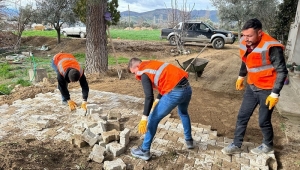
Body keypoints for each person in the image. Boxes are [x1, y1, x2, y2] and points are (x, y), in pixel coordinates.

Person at [222, 18, 288, 155]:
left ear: (260, 33)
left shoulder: (271, 46)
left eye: (249, 36)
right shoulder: (245, 41)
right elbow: (246, 59)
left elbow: (282, 71)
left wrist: (275, 93)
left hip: (267, 90)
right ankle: (236, 143)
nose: (246, 39)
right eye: (244, 35)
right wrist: (241, 76)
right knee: (242, 116)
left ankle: (267, 145)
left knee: (263, 121)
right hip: (252, 87)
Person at [128, 57, 194, 161]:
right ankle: (189, 141)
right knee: (183, 113)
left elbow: (149, 97)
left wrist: (144, 118)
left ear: (136, 66)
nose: (136, 75)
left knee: (153, 118)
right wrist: (158, 99)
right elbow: (164, 80)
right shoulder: (152, 64)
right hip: (187, 89)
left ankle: (144, 150)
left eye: (134, 72)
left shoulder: (144, 72)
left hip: (175, 93)